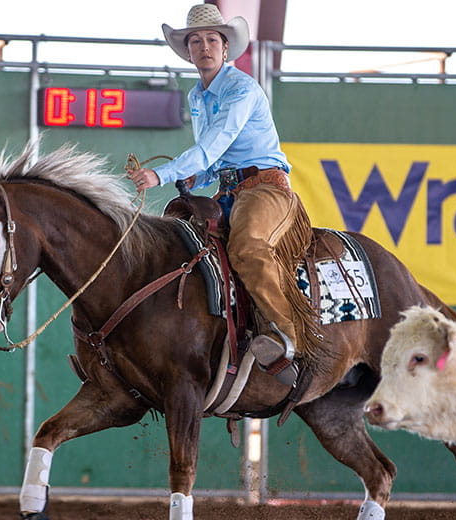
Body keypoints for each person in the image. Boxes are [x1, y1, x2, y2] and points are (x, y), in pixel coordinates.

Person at [126, 4, 320, 387]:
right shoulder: (197, 96)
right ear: (188, 51)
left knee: (247, 247)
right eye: (195, 41)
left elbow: (211, 147)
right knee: (183, 250)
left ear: (226, 48)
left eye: (212, 39)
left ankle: (291, 338)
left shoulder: (242, 89)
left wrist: (161, 174)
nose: (203, 47)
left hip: (265, 189)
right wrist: (191, 182)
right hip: (228, 190)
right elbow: (211, 163)